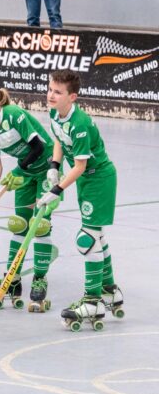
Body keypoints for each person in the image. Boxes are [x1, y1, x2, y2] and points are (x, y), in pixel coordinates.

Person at [39, 69, 123, 328]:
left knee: (86, 239)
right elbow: (58, 138)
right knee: (96, 237)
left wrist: (55, 190)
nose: (51, 95)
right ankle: (110, 290)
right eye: (50, 89)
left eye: (58, 92)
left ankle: (92, 301)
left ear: (72, 97)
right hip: (87, 180)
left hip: (99, 179)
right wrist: (54, 166)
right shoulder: (55, 113)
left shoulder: (80, 124)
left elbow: (79, 166)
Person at [0, 80, 56, 312]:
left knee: (40, 225)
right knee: (19, 224)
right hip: (25, 171)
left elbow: (38, 147)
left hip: (47, 167)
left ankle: (40, 279)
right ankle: (12, 279)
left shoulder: (13, 114)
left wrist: (18, 170)